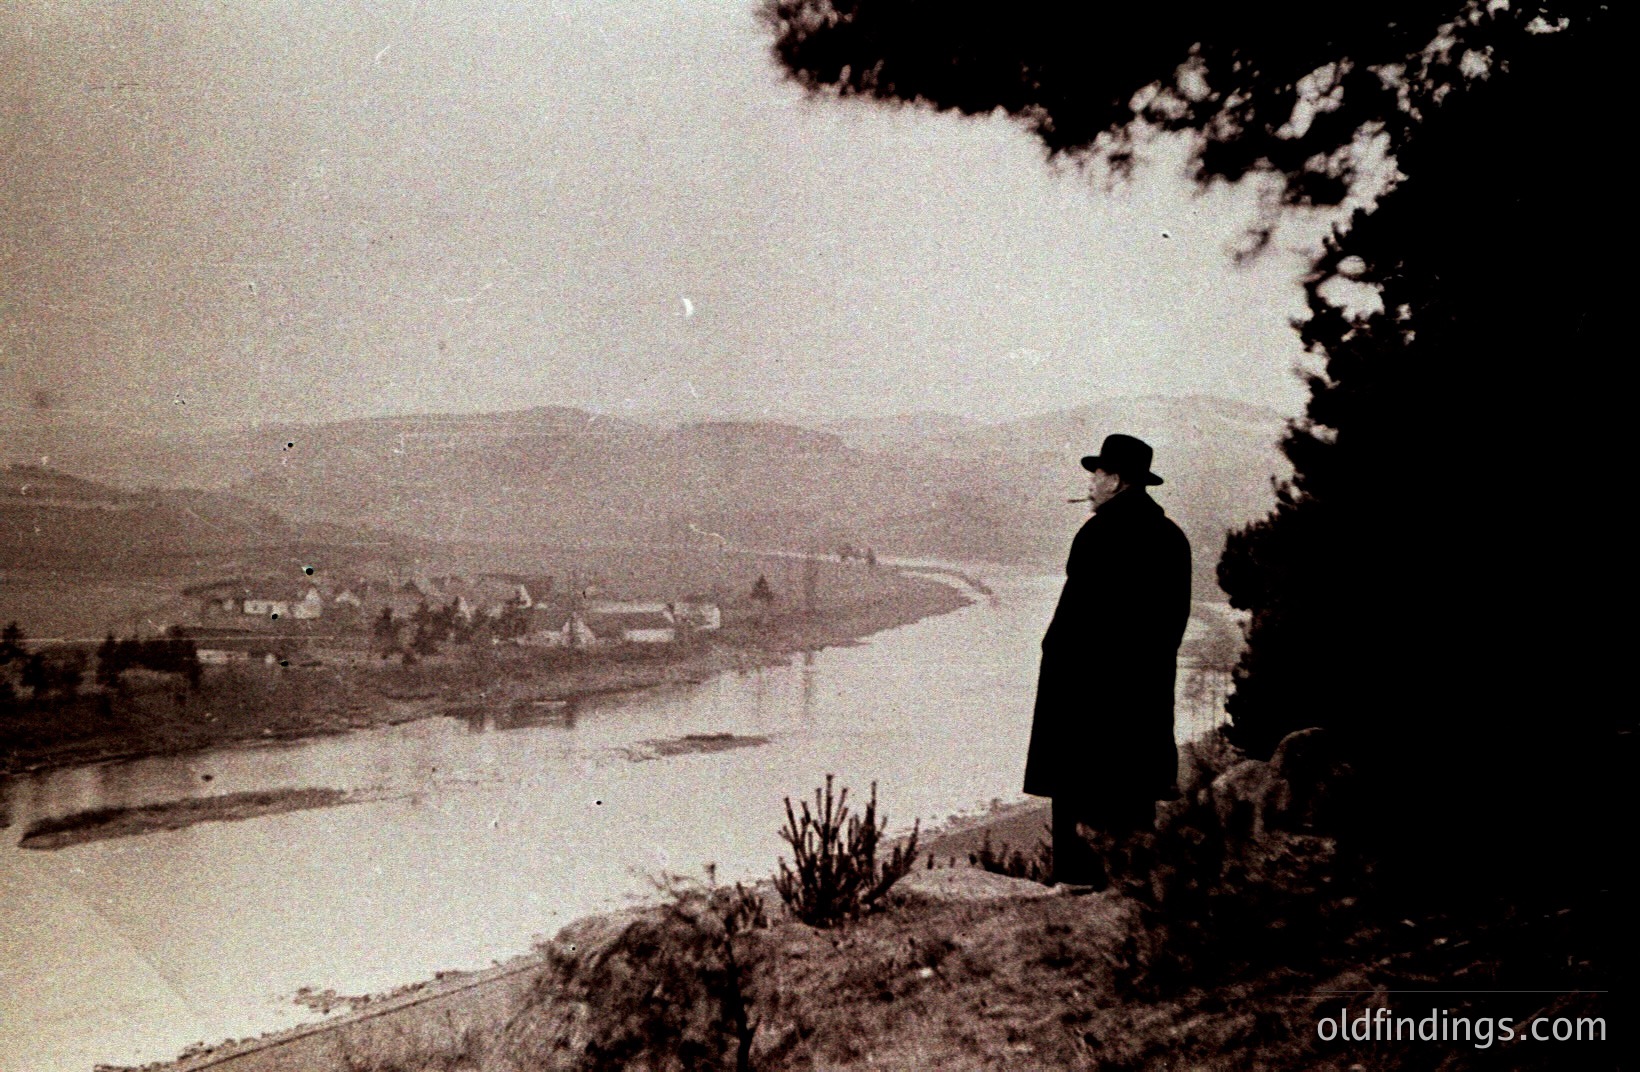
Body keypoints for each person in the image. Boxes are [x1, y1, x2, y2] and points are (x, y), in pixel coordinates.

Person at [1023, 434, 1192, 890]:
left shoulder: (1098, 534)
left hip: (1085, 694)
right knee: (1132, 794)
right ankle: (1131, 885)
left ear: (1115, 480)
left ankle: (1076, 883)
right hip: (1142, 695)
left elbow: (1073, 622)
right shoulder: (1172, 538)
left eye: (1096, 474)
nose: (1090, 484)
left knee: (1079, 790)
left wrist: (1059, 667)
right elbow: (1172, 624)